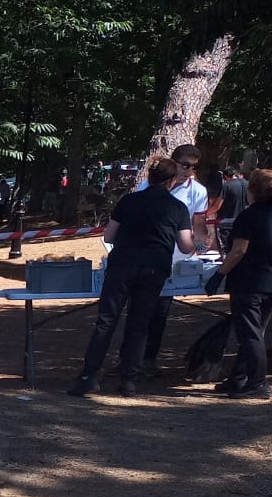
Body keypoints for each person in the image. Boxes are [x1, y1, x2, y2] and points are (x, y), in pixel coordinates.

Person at [67, 156, 196, 397]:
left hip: (123, 264)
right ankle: (129, 380)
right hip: (154, 267)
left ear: (150, 176)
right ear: (171, 181)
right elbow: (186, 245)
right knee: (139, 323)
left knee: (106, 321)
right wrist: (199, 242)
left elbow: (109, 236)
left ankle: (88, 375)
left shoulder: (129, 201)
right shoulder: (177, 207)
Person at [207, 169, 272, 398]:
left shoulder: (248, 216)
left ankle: (258, 383)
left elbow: (238, 251)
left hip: (250, 282)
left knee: (250, 334)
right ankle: (239, 378)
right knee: (253, 332)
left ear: (253, 191)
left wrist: (219, 274)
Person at [139, 144, 209, 373]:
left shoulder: (197, 191)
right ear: (174, 162)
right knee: (139, 310)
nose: (188, 170)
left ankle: (148, 359)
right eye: (184, 165)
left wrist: (201, 244)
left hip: (177, 259)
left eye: (193, 167)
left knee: (160, 310)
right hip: (146, 254)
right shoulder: (149, 185)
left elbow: (199, 226)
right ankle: (129, 359)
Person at [215, 167, 248, 252]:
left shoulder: (227, 185)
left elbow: (217, 205)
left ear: (225, 176)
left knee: (228, 248)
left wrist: (206, 214)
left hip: (227, 222)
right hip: (244, 221)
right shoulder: (247, 183)